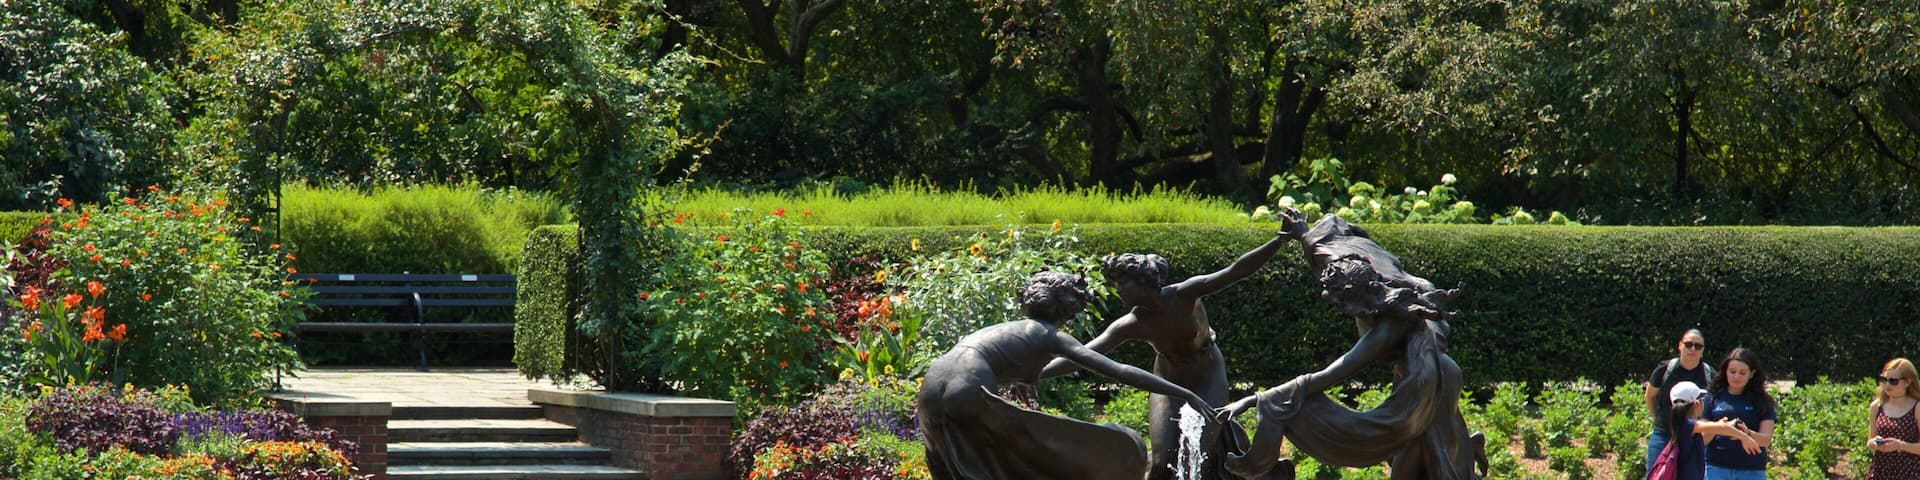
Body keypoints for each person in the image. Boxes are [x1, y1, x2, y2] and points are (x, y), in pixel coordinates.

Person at [1214, 210, 1484, 480]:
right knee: (1423, 459)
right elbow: (1327, 250)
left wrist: (1257, 399)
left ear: (1361, 297)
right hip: (1422, 375)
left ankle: (1465, 449)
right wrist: (1303, 235)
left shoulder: (1387, 328)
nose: (1341, 308)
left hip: (1426, 385)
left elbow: (1331, 374)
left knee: (1423, 466)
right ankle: (1465, 447)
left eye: (1343, 303)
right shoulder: (1358, 273)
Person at [1038, 224, 1293, 480]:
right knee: (1161, 464)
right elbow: (1083, 355)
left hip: (1208, 375)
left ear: (1142, 281)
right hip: (1166, 381)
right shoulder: (1132, 324)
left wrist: (1278, 241)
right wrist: (1035, 373)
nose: (1117, 290)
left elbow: (1236, 270)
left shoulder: (1185, 295)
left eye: (1122, 283)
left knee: (1196, 453)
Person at [916, 271, 1216, 479]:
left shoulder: (1008, 330)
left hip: (931, 384)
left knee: (959, 469)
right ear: (1067, 308)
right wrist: (1183, 392)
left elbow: (1007, 369)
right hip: (969, 387)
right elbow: (1118, 370)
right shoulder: (1050, 335)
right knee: (1017, 462)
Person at [1660, 381, 1761, 480]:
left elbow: (1716, 429)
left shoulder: (1682, 425)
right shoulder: (1690, 424)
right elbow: (1721, 428)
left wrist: (1724, 425)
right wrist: (1745, 437)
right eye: (1701, 398)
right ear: (1696, 403)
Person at [1702, 348, 1776, 480]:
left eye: (1742, 373)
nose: (1736, 377)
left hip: (1752, 469)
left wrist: (1746, 433)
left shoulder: (1763, 401)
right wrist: (1720, 427)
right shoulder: (1712, 397)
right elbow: (1702, 438)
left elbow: (1765, 439)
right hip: (1716, 467)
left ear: (1751, 373)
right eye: (1732, 372)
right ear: (1725, 372)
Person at [1648, 329, 1716, 470]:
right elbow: (1650, 395)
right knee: (1656, 474)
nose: (1692, 349)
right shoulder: (1665, 369)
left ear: (1703, 350)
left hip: (1694, 437)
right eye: (1688, 344)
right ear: (1680, 345)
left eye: (1698, 346)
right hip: (1663, 434)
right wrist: (1658, 418)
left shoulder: (1709, 374)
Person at [1868, 358, 1920, 479]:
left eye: (1893, 381)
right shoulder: (1876, 406)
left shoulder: (1917, 407)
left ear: (1908, 382)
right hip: (1880, 472)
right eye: (1884, 380)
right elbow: (1870, 441)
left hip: (1909, 473)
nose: (1887, 385)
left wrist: (1900, 445)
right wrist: (1874, 444)